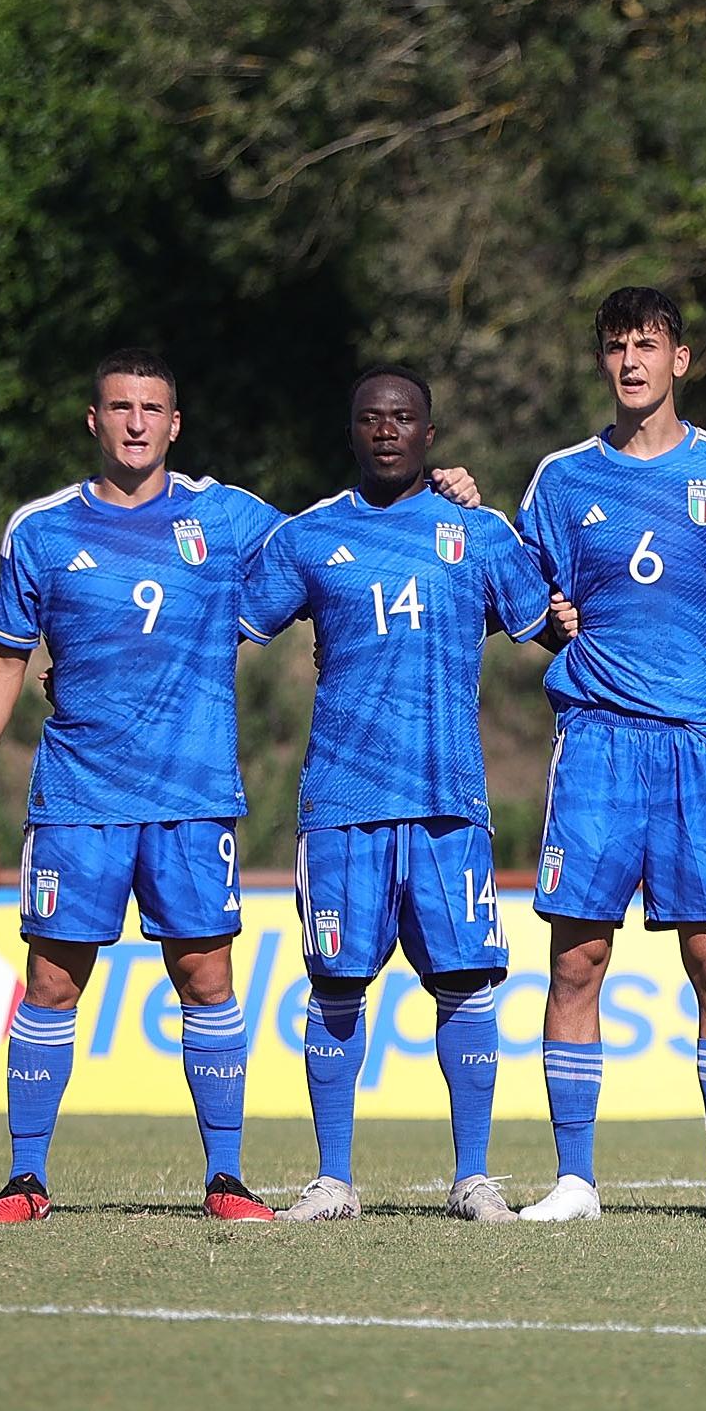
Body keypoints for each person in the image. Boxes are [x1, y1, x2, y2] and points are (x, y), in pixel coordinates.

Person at [0, 349, 481, 1224]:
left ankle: (225, 1179)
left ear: (175, 423)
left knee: (206, 976)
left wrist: (442, 489)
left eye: (153, 408)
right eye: (120, 407)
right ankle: (26, 1179)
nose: (137, 423)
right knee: (50, 981)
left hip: (195, 796)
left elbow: (342, 543)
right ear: (94, 419)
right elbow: (6, 659)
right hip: (79, 796)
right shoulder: (40, 530)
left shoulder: (229, 517)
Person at [237, 367, 561, 1222]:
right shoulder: (309, 536)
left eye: (404, 417)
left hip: (449, 800)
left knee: (465, 983)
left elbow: (554, 625)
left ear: (429, 433)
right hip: (341, 802)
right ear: (351, 433)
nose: (387, 430)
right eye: (371, 418)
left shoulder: (479, 531)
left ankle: (474, 1176)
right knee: (337, 985)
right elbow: (223, 622)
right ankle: (333, 1179)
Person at [515, 288, 706, 1223]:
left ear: (681, 359)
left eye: (648, 345)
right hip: (594, 743)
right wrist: (556, 627)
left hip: (695, 747)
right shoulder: (560, 479)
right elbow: (521, 594)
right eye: (616, 346)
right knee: (577, 961)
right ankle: (575, 1179)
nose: (631, 361)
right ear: (602, 362)